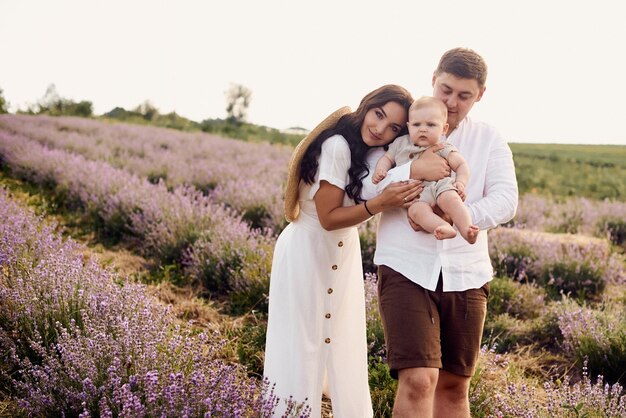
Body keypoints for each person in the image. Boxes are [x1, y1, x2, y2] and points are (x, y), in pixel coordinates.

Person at [263, 84, 445, 418]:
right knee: (302, 346)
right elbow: (330, 218)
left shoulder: (367, 151)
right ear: (366, 106)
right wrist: (379, 204)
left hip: (341, 251)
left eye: (393, 127)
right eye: (378, 115)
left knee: (339, 340)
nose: (380, 129)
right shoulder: (336, 146)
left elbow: (387, 180)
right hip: (309, 250)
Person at [370, 48, 519, 417]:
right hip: (405, 267)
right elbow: (367, 187)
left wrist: (452, 217)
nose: (451, 102)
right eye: (446, 89)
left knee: (454, 386)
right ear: (433, 78)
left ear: (480, 94)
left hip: (467, 274)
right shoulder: (400, 129)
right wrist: (413, 171)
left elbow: (506, 200)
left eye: (464, 95)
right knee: (419, 380)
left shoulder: (488, 139)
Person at [372, 96, 479, 244]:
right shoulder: (400, 144)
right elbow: (387, 159)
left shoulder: (443, 147)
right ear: (408, 127)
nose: (423, 129)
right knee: (416, 212)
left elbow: (461, 165)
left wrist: (460, 182)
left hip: (440, 187)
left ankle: (467, 228)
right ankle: (442, 226)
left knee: (452, 200)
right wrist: (380, 170)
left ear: (444, 128)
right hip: (416, 196)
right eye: (416, 125)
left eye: (430, 125)